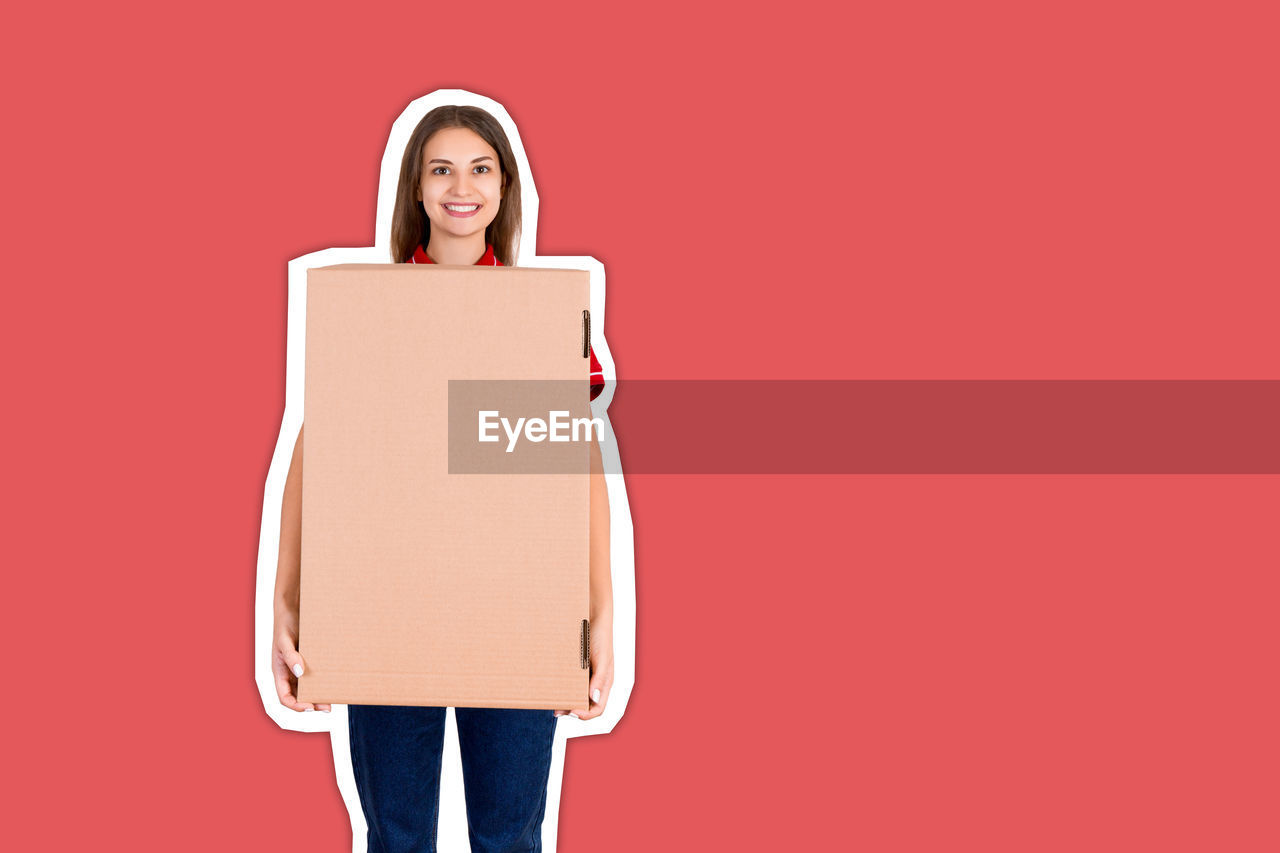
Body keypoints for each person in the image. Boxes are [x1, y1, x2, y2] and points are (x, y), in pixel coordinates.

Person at [270, 104, 615, 852]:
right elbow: (318, 449)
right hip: (385, 603)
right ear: (418, 191)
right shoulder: (368, 313)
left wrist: (601, 617)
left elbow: (575, 464)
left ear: (504, 186)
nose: (463, 186)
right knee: (395, 837)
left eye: (480, 167)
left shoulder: (539, 317)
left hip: (515, 604)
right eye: (442, 168)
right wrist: (286, 600)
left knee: (511, 837)